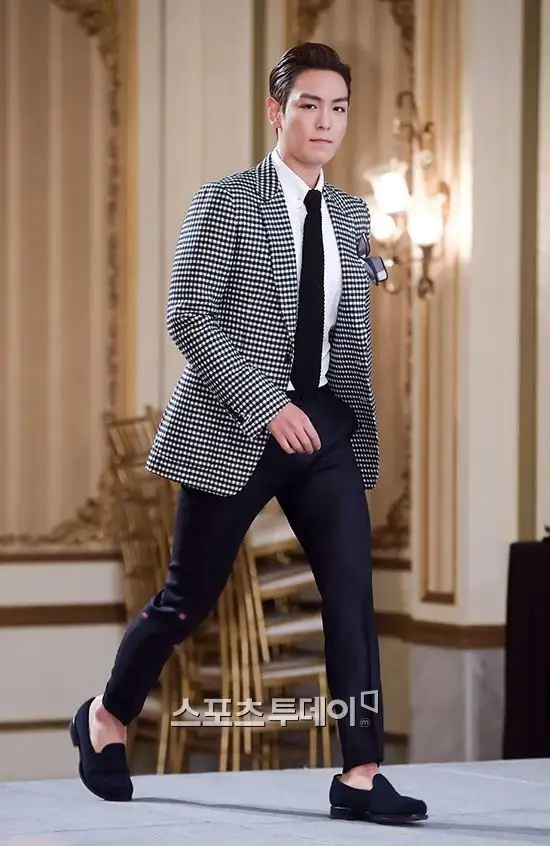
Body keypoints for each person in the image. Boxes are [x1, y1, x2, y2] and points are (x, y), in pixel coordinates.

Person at [70, 41, 428, 826]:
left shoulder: (351, 215)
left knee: (351, 594)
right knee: (186, 599)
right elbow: (188, 316)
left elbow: (340, 326)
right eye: (309, 104)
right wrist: (267, 404)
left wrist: (329, 408)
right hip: (238, 425)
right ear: (276, 111)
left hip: (324, 425)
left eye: (339, 107)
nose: (325, 121)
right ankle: (106, 715)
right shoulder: (226, 201)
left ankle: (360, 772)